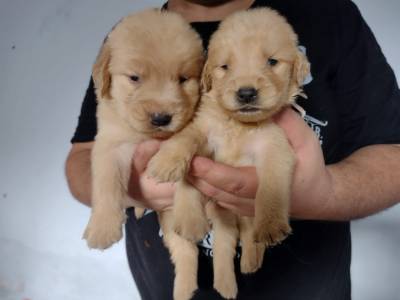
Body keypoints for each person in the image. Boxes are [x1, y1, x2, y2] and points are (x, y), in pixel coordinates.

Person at [65, 0, 400, 299]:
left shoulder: (327, 13)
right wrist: (126, 191)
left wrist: (325, 194)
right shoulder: (130, 35)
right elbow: (84, 157)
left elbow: (393, 156)